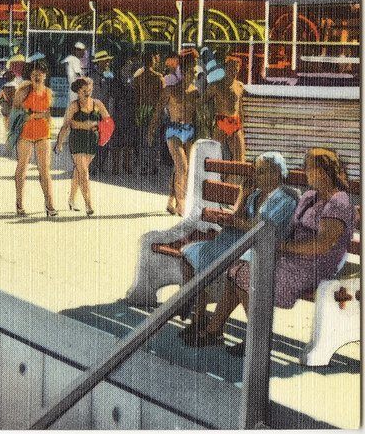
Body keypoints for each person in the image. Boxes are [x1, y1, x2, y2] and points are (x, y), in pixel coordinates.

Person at [188, 149, 356, 355]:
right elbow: (289, 230)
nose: (306, 173)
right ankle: (216, 330)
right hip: (291, 259)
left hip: (315, 266)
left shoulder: (338, 203)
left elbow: (323, 245)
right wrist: (277, 247)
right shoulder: (311, 197)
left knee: (243, 274)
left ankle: (258, 340)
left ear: (322, 172)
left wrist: (281, 247)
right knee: (236, 270)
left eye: (309, 169)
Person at [177, 152, 298, 343]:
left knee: (235, 271)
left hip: (257, 248)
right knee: (191, 255)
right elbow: (239, 218)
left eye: (264, 172)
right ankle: (199, 318)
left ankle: (236, 334)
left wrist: (236, 221)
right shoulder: (256, 194)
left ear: (277, 174)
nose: (259, 177)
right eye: (257, 172)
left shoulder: (284, 199)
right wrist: (243, 196)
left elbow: (262, 229)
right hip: (236, 241)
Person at [147, 52, 199, 216]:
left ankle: (171, 201)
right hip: (173, 131)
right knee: (182, 167)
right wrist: (151, 130)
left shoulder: (195, 92)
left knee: (183, 169)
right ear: (184, 72)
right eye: (191, 72)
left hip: (189, 131)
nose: (194, 75)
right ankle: (181, 205)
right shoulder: (170, 90)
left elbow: (198, 115)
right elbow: (157, 111)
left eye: (195, 73)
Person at [7, 60, 56, 217]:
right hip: (26, 130)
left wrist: (50, 127)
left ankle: (50, 204)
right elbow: (14, 111)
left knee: (44, 169)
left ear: (45, 75)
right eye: (34, 74)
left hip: (43, 131)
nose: (38, 76)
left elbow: (48, 112)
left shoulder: (48, 92)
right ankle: (19, 202)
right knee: (23, 166)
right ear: (30, 75)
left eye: (40, 74)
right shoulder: (23, 91)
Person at [55, 78, 110, 216]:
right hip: (77, 141)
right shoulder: (74, 106)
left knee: (78, 172)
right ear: (78, 91)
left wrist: (100, 128)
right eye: (84, 90)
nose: (87, 92)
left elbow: (108, 121)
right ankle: (89, 205)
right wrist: (59, 144)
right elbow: (66, 125)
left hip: (92, 142)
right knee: (84, 172)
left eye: (89, 89)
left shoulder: (97, 104)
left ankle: (71, 199)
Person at [204, 56, 246, 163]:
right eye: (231, 68)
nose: (234, 71)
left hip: (235, 123)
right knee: (212, 157)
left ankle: (229, 179)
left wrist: (242, 126)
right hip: (221, 122)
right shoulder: (216, 85)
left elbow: (239, 108)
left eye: (236, 69)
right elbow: (201, 103)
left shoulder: (239, 86)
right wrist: (207, 123)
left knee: (240, 160)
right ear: (226, 68)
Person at [134, 51, 164, 176]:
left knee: (143, 139)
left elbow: (136, 97)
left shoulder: (138, 78)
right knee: (154, 139)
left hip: (142, 109)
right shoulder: (158, 77)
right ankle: (154, 165)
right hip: (154, 109)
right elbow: (161, 98)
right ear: (153, 61)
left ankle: (144, 166)